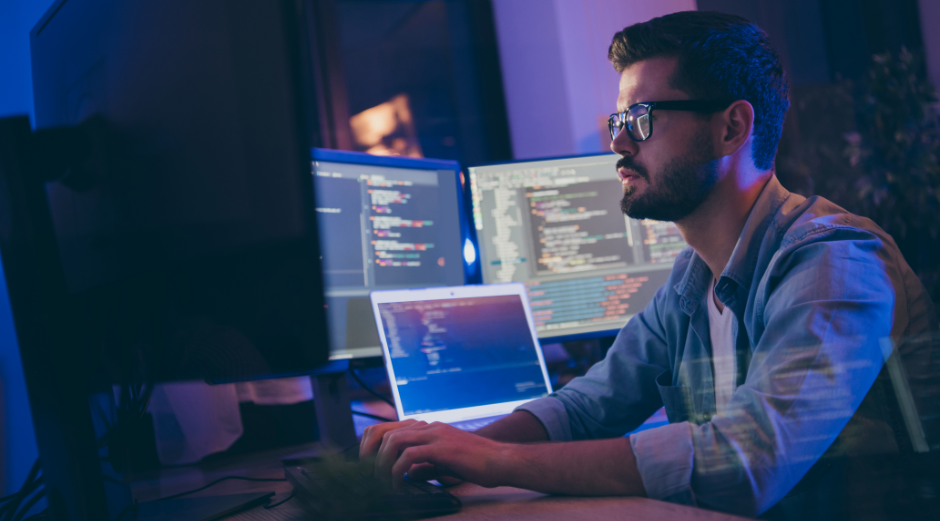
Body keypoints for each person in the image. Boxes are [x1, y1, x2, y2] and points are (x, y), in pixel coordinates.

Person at [358, 11, 936, 519]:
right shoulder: (692, 282)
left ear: (731, 127)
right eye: (617, 122)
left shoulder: (835, 264)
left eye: (639, 118)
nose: (617, 144)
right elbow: (586, 408)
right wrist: (452, 451)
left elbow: (746, 463)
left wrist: (495, 460)